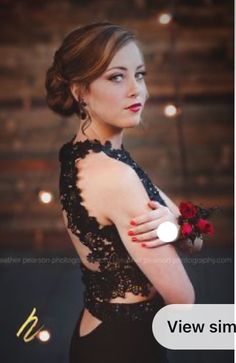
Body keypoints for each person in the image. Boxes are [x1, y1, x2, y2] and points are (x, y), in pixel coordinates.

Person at [45, 22, 195, 363]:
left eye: (139, 74)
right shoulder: (116, 176)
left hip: (95, 334)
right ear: (80, 90)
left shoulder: (83, 153)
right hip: (125, 346)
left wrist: (175, 224)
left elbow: (191, 231)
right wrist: (180, 229)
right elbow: (184, 299)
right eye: (116, 77)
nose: (136, 90)